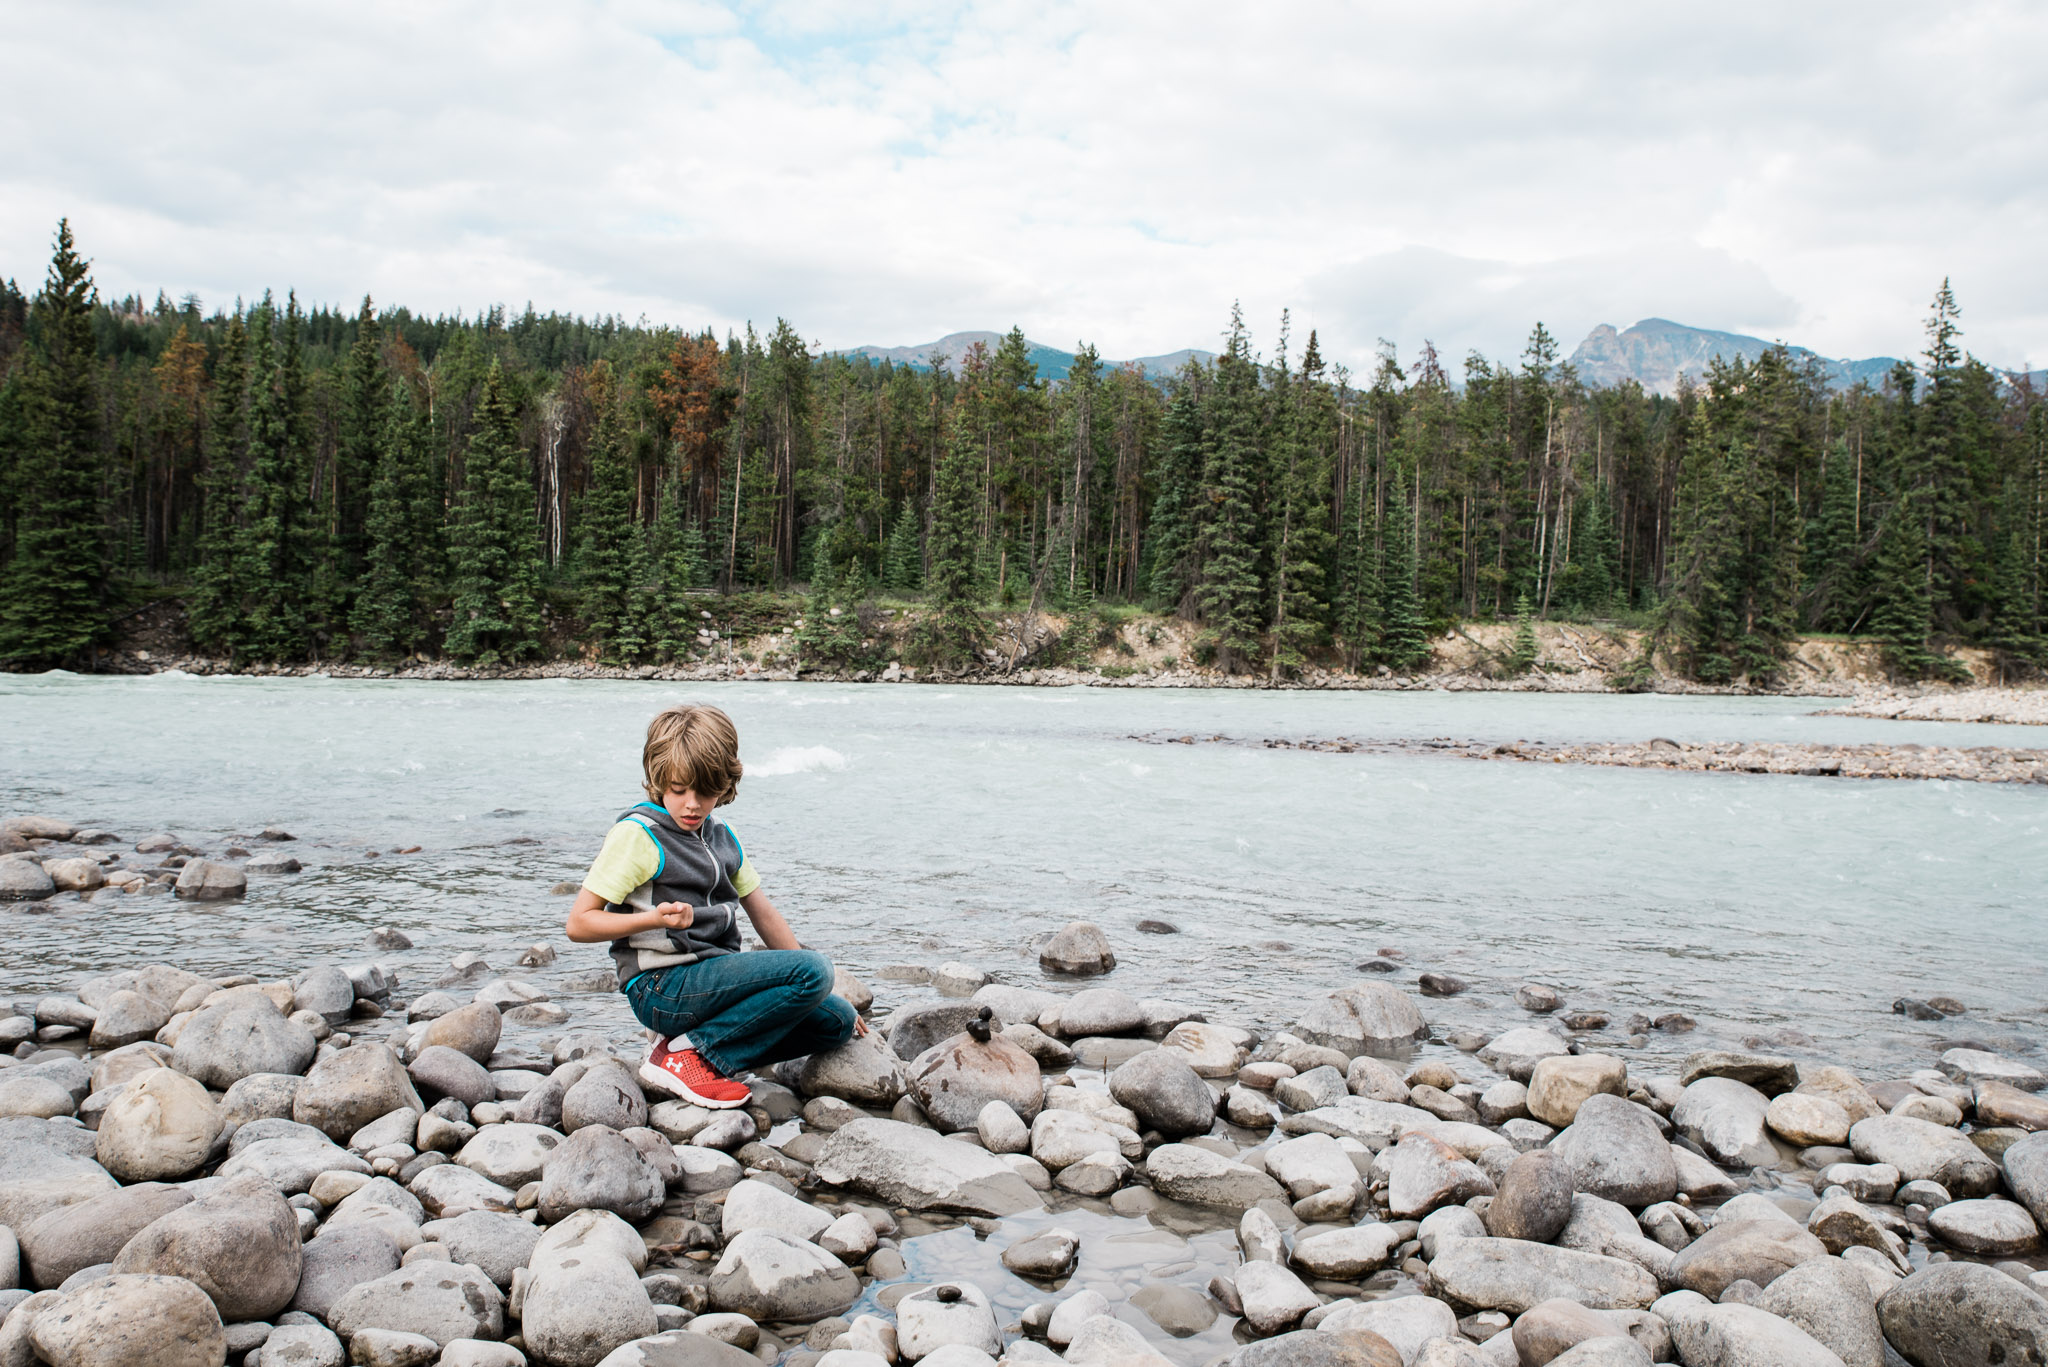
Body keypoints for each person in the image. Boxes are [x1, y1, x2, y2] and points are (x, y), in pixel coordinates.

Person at [564, 702, 859, 1108]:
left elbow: (762, 912)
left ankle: (691, 1048)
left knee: (836, 1021)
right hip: (661, 987)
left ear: (726, 786)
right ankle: (690, 1054)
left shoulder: (722, 836)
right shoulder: (639, 835)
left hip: (711, 981)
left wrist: (819, 992)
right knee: (814, 971)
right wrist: (651, 918)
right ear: (657, 779)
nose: (692, 804)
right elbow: (578, 923)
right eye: (679, 790)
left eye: (705, 792)